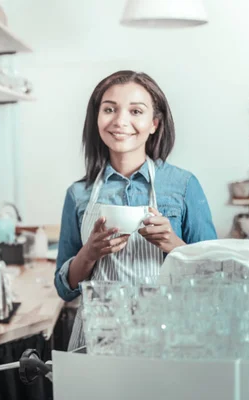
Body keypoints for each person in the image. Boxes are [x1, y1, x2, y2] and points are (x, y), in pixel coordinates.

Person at [54, 70, 217, 350]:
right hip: (98, 337)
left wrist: (173, 244)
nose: (120, 121)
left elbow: (214, 276)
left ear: (154, 123)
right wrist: (89, 253)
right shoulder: (78, 194)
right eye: (109, 109)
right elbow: (64, 287)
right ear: (97, 119)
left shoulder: (183, 185)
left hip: (169, 333)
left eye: (135, 111)